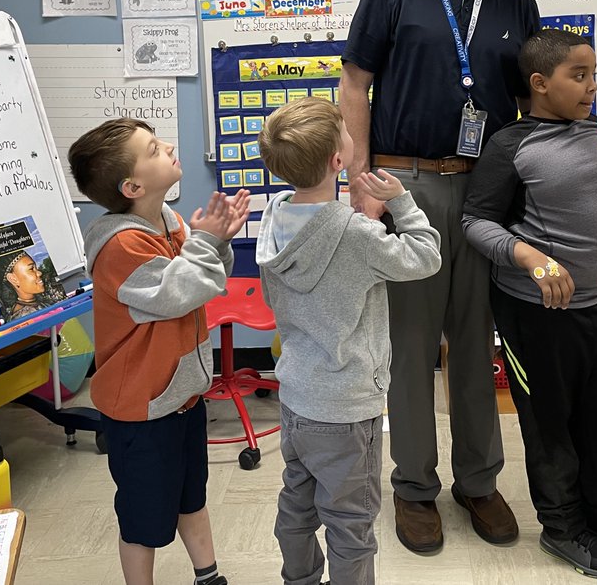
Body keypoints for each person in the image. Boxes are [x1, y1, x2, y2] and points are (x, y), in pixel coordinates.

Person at [340, 0, 540, 553]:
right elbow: (356, 82)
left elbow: (529, 110)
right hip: (408, 185)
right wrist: (360, 181)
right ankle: (414, 487)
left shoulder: (516, 4)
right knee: (412, 344)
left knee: (476, 340)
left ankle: (479, 482)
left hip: (486, 191)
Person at [461, 30, 597, 578]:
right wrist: (529, 257)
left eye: (594, 75)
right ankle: (563, 527)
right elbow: (475, 222)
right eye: (579, 76)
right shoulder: (510, 145)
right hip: (536, 314)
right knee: (550, 423)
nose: (592, 88)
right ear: (539, 83)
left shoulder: (591, 128)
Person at [255, 97, 441, 585]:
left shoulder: (273, 219)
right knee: (351, 523)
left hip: (296, 397)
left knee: (296, 502)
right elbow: (424, 258)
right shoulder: (356, 234)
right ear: (339, 160)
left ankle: (299, 578)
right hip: (346, 408)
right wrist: (401, 201)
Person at [68, 118, 248, 585]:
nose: (167, 145)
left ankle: (208, 575)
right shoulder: (120, 245)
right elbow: (177, 293)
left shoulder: (170, 221)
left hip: (180, 395)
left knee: (192, 495)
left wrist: (218, 241)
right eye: (153, 148)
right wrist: (207, 242)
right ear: (133, 185)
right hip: (141, 410)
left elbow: (206, 278)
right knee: (144, 519)